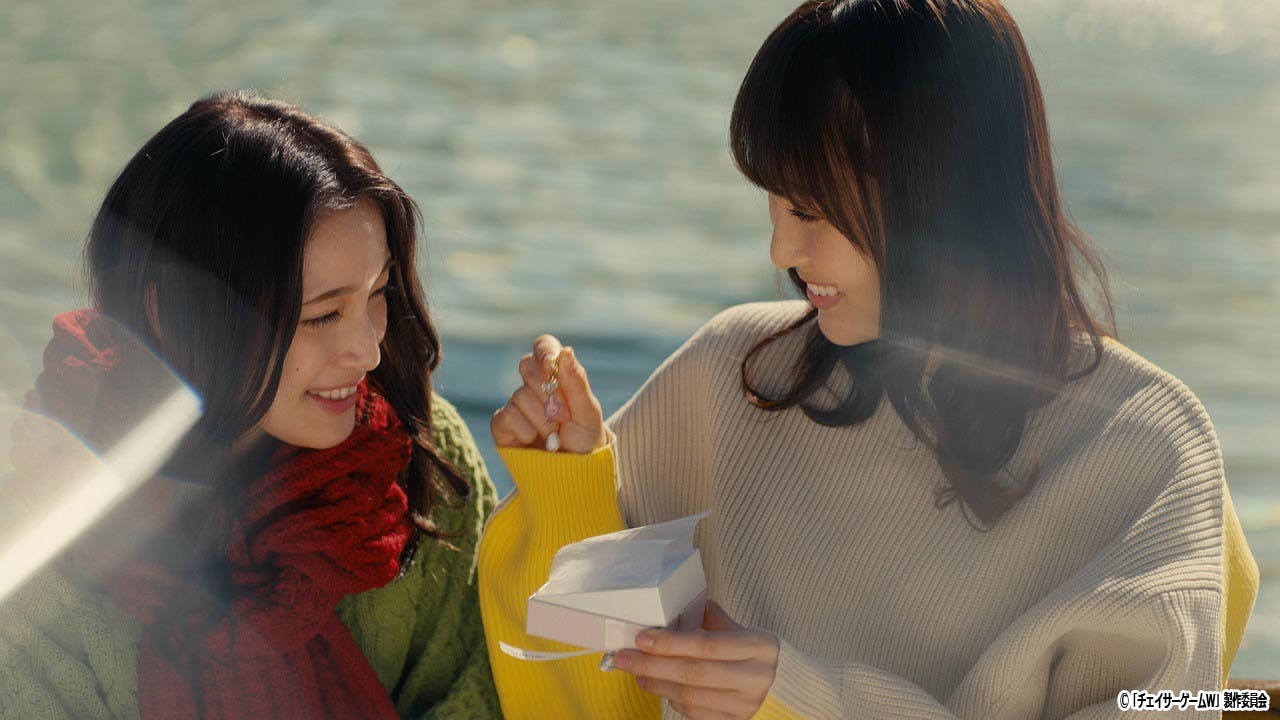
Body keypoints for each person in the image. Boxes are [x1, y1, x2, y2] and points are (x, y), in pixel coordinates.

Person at [479, 1, 1259, 718]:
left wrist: (808, 701)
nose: (781, 250)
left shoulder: (1143, 446)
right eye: (773, 202)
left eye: (810, 210)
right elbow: (594, 698)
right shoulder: (730, 376)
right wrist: (574, 493)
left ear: (944, 194)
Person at [0, 92, 501, 719]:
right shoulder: (37, 530)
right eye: (322, 315)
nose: (368, 350)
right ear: (174, 314)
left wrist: (561, 488)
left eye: (379, 293)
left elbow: (481, 692)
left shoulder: (416, 454)